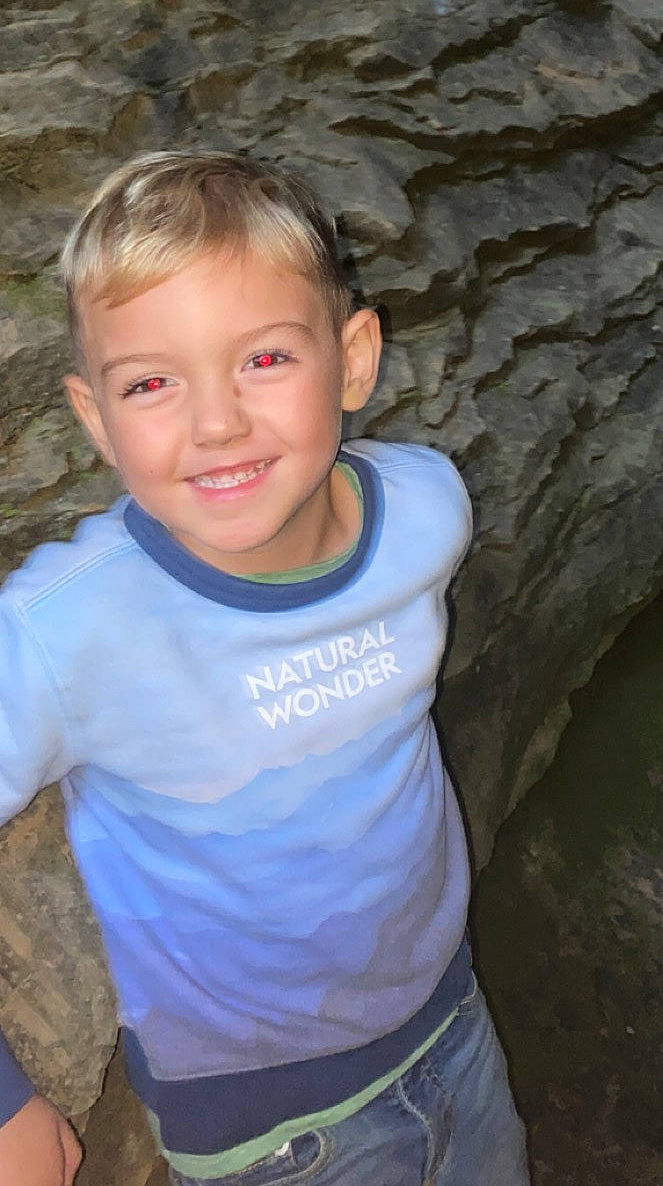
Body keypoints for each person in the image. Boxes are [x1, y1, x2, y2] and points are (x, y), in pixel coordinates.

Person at [0, 151, 529, 1186]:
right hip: (276, 1133)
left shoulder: (426, 509)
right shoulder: (69, 633)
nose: (216, 422)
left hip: (456, 1027)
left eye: (266, 359)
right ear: (96, 418)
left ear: (356, 358)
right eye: (150, 382)